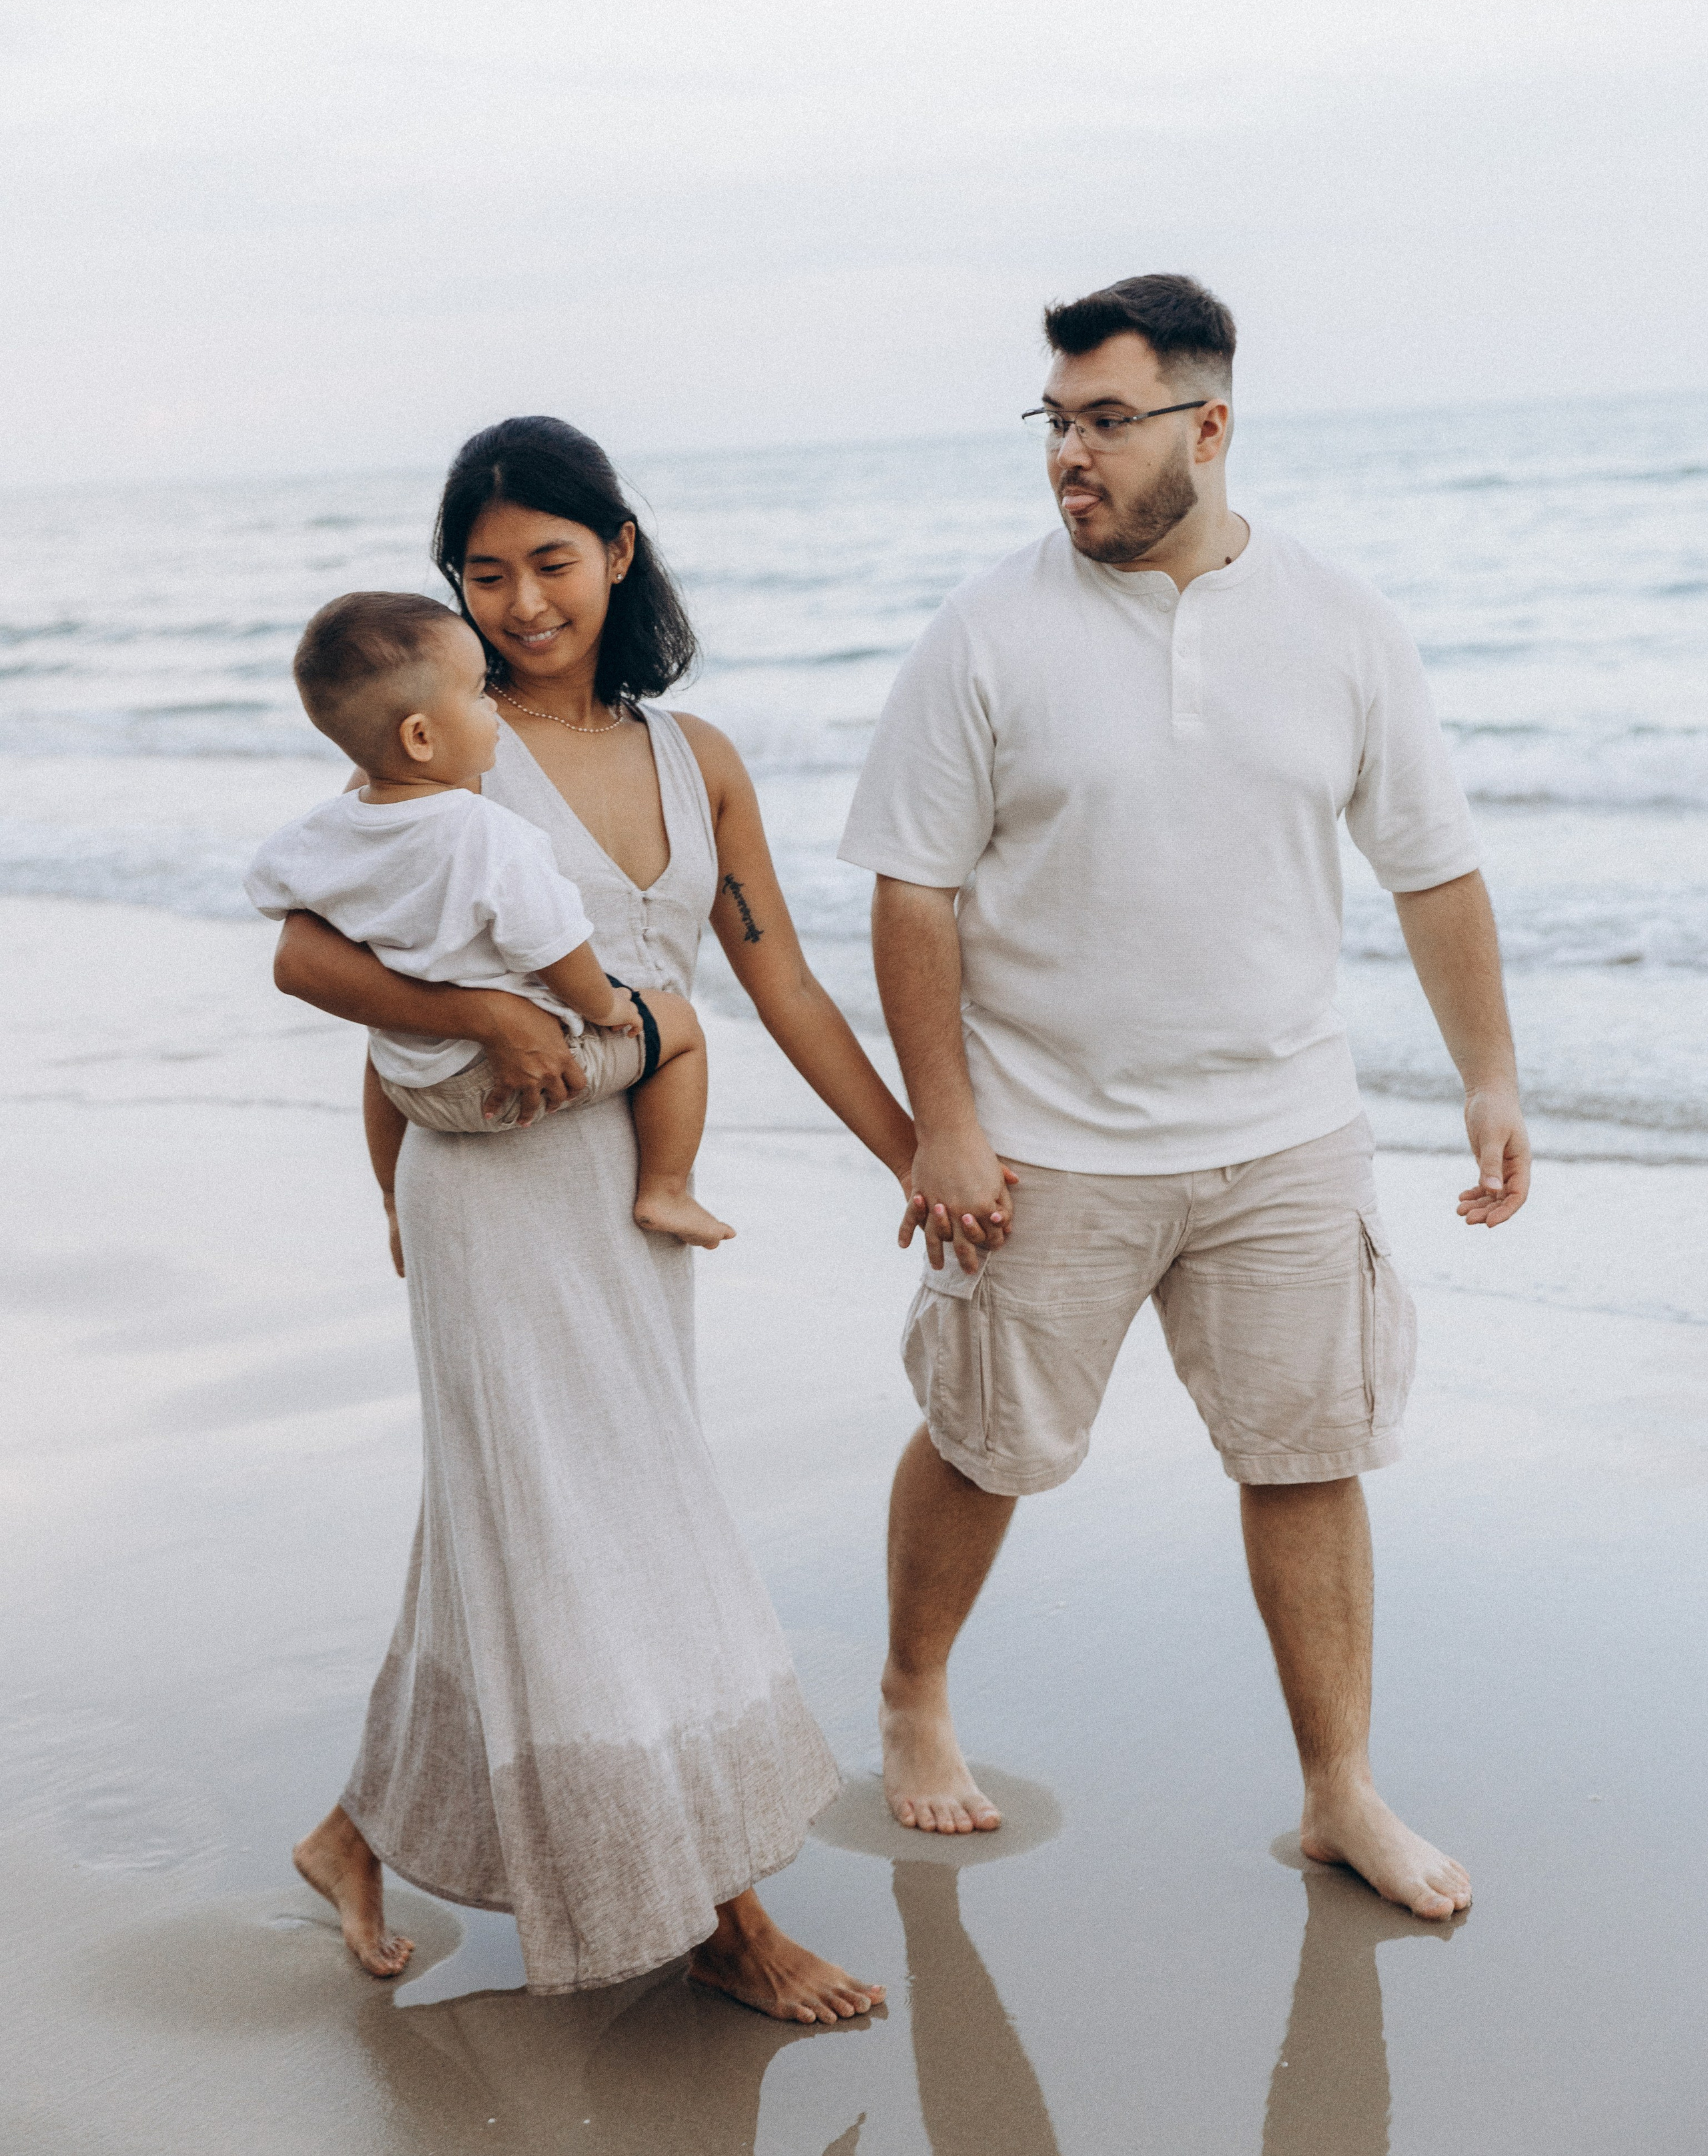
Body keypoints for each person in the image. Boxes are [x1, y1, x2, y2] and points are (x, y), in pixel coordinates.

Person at [840, 273, 1529, 1920]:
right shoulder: (985, 634)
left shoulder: (1342, 624)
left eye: (1103, 421)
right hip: (1045, 1138)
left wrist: (1487, 1076)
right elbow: (909, 892)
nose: (1068, 456)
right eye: (1055, 423)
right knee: (984, 1440)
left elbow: (1430, 872)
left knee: (1306, 1453)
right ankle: (914, 1702)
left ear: (1206, 429)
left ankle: (1337, 1795)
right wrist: (942, 1117)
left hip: (1283, 1129)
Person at [277, 415, 917, 2021]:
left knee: (513, 1532)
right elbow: (331, 972)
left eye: (548, 563)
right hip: (491, 1198)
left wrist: (913, 1148)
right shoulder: (430, 751)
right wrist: (455, 1083)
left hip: (635, 1203)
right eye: (482, 574)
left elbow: (772, 981)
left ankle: (353, 1833)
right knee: (606, 1534)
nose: (518, 604)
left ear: (616, 553)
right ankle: (726, 1918)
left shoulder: (694, 760)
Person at [247, 590, 733, 1249]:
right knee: (679, 1026)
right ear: (421, 736)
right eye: (479, 695)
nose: (495, 712)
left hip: (410, 1084)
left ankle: (392, 1198)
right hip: (505, 1080)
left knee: (378, 1036)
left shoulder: (324, 830)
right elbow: (552, 943)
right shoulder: (491, 834)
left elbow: (269, 884)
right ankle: (666, 1190)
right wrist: (606, 1001)